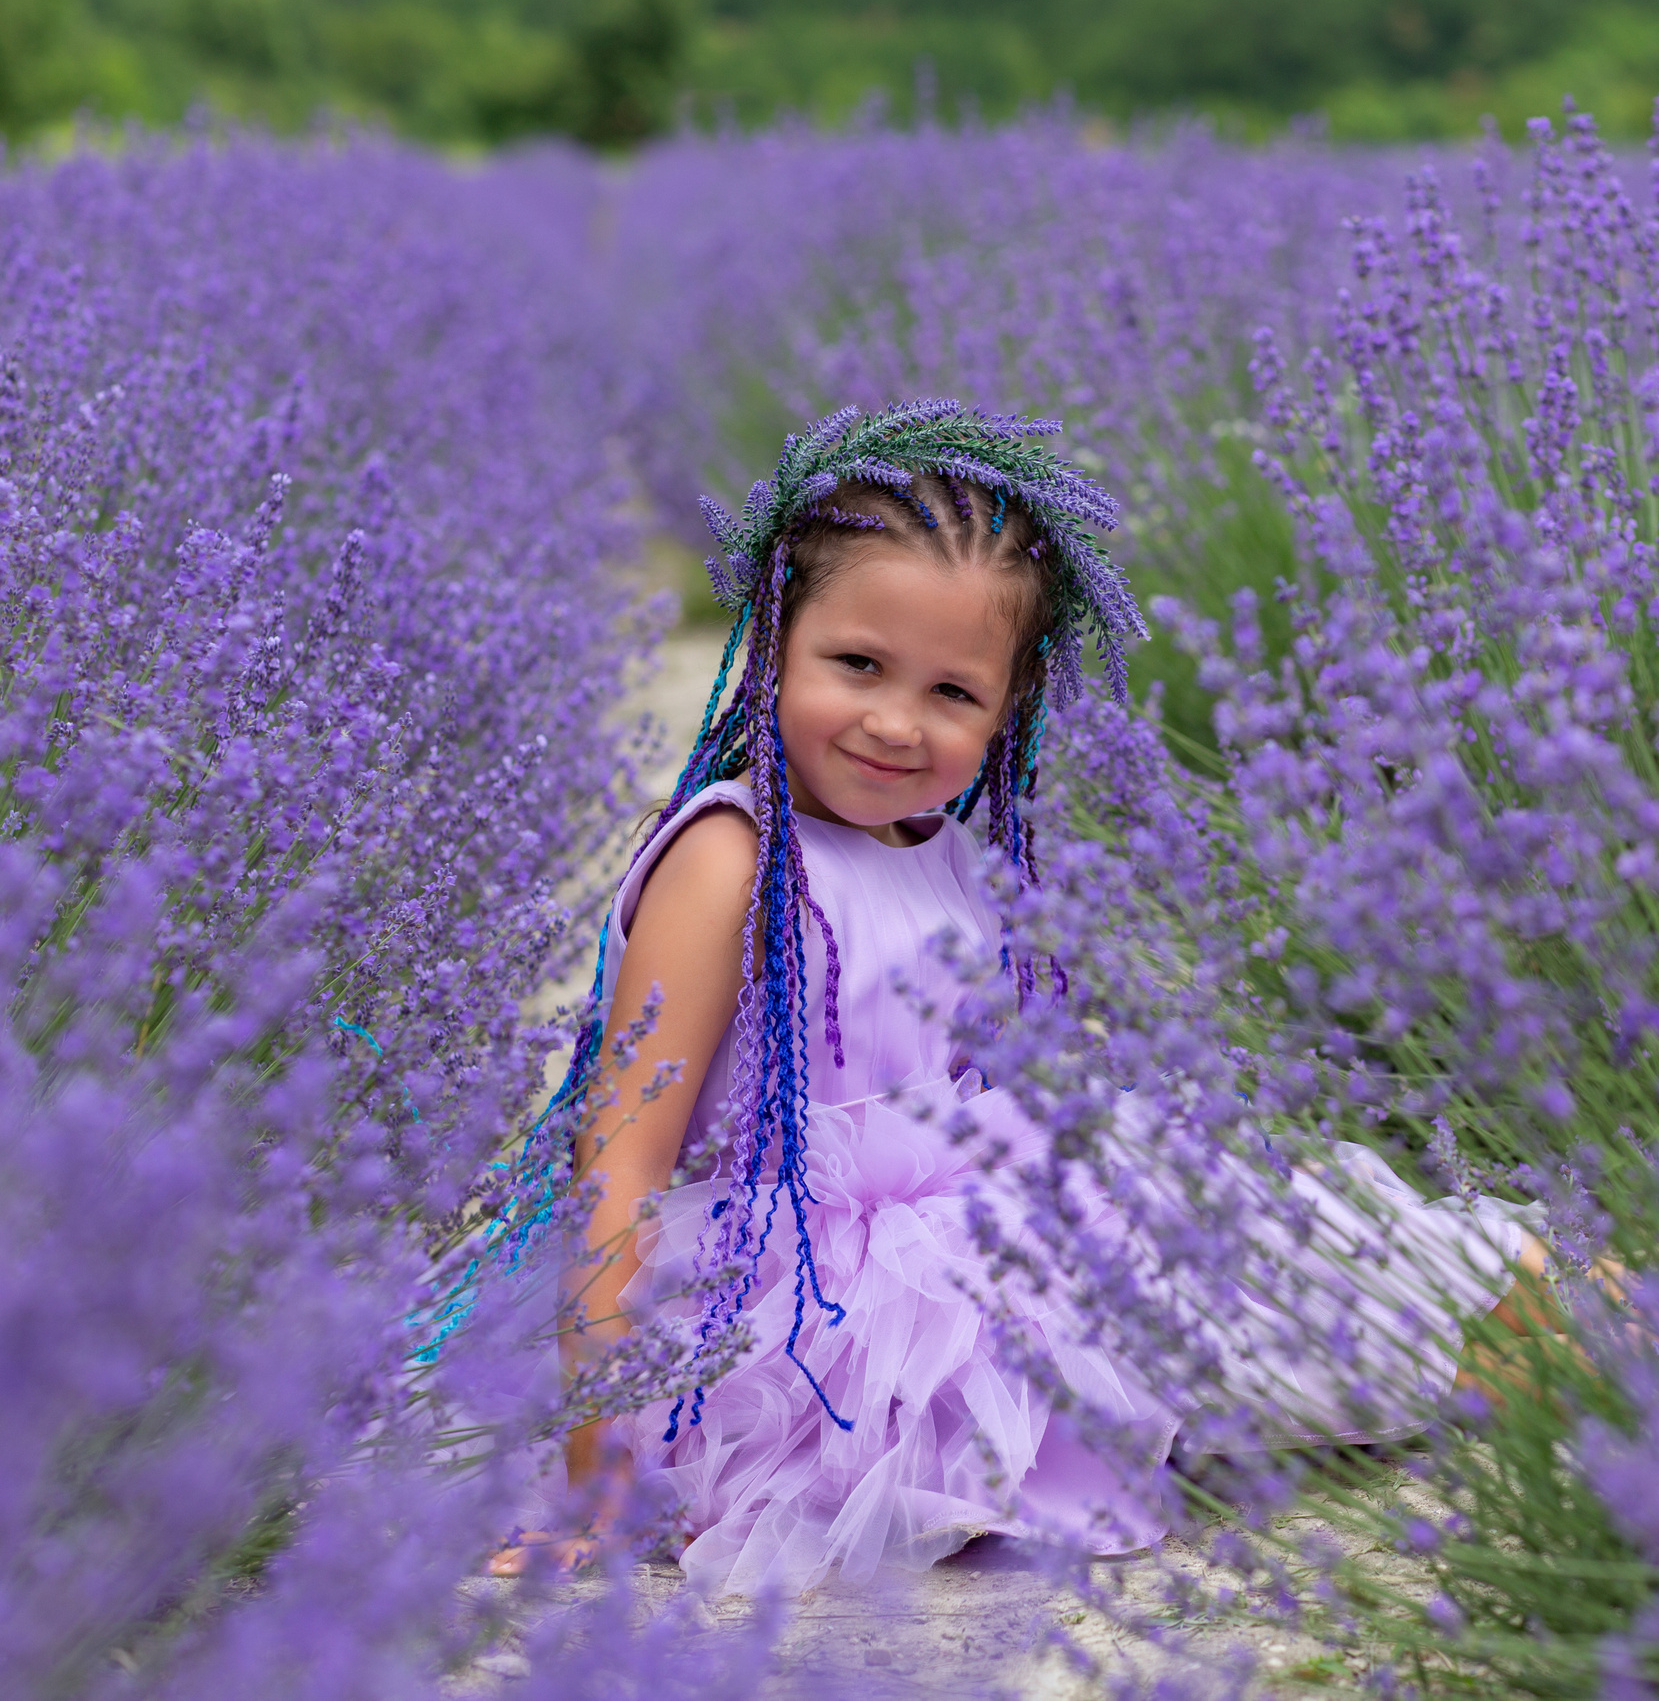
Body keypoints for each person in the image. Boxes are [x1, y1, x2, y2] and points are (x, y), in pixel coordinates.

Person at [488, 402, 1559, 1594]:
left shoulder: (943, 844)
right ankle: (1537, 1345)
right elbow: (622, 1164)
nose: (896, 722)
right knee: (1278, 1345)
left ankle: (1546, 1308)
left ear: (1011, 705)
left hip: (1002, 1234)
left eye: (953, 692)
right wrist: (597, 1476)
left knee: (1298, 1241)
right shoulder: (733, 859)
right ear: (774, 640)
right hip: (831, 1322)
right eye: (856, 665)